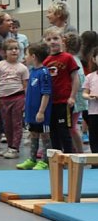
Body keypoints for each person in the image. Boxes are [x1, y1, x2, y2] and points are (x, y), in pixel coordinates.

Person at [0, 39, 29, 159]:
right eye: (11, 48)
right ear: (5, 52)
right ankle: (10, 146)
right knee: (6, 124)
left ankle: (14, 148)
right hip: (4, 99)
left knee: (16, 123)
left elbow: (26, 86)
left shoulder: (22, 68)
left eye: (16, 48)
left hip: (18, 97)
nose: (14, 51)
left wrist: (27, 101)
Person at [43, 26, 80, 154]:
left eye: (55, 38)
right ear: (45, 42)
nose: (52, 41)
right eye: (49, 39)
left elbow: (75, 78)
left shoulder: (68, 58)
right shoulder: (46, 61)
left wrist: (72, 96)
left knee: (64, 130)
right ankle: (57, 157)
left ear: (62, 40)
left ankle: (68, 155)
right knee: (53, 131)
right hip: (50, 102)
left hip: (64, 101)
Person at [17, 43, 52, 170]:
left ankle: (45, 161)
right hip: (31, 111)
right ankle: (32, 159)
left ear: (33, 56)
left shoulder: (44, 72)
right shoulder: (32, 72)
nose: (25, 57)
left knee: (45, 135)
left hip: (41, 113)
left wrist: (41, 111)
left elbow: (46, 93)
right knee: (33, 134)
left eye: (26, 54)